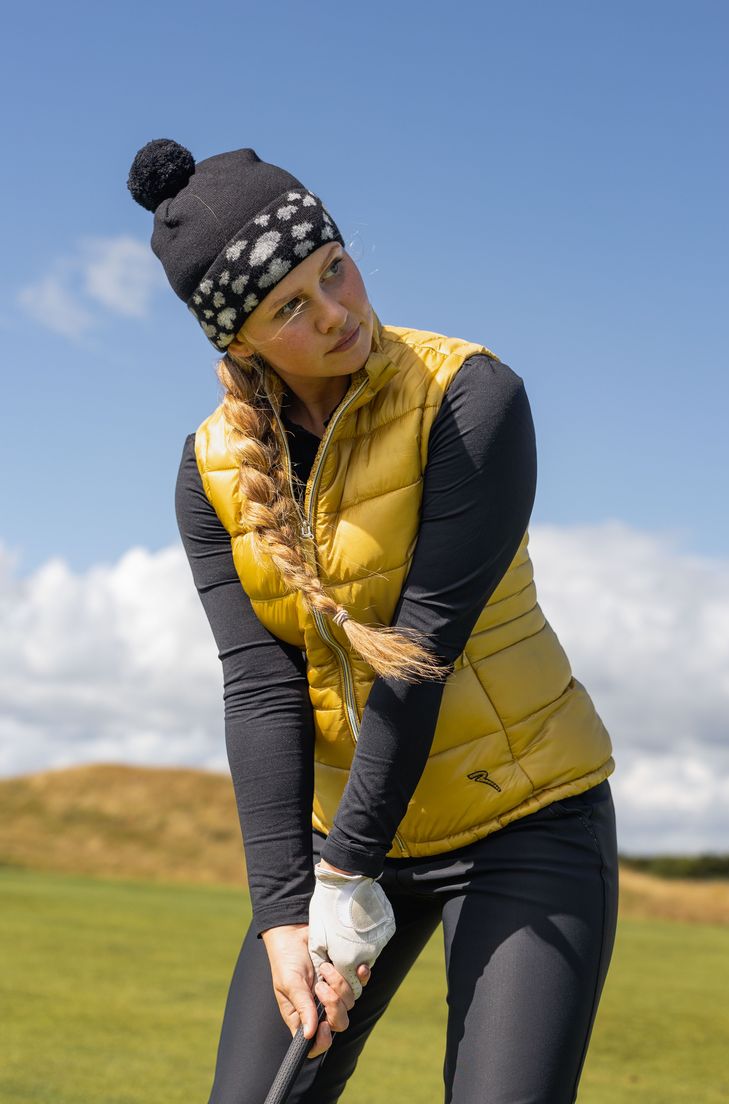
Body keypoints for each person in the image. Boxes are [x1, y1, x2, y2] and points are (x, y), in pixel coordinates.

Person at [128, 138, 619, 1104]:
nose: (340, 312)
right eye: (293, 310)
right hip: (344, 844)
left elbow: (416, 658)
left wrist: (346, 876)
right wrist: (284, 912)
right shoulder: (209, 471)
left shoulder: (472, 399)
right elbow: (260, 684)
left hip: (523, 821)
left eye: (335, 269)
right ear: (240, 342)